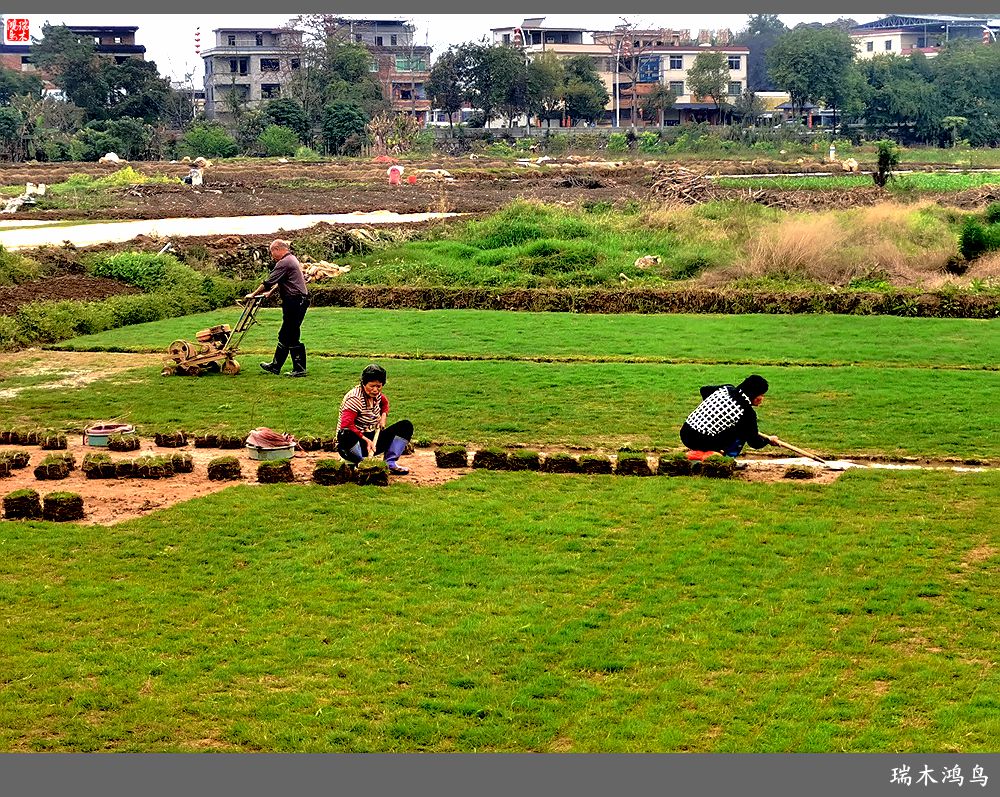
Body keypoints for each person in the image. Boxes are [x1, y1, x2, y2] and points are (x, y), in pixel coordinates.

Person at [247, 239, 310, 378]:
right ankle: (275, 366)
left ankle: (299, 369)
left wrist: (253, 294)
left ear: (277, 249)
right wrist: (270, 293)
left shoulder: (284, 262)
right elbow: (281, 280)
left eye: (272, 252)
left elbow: (268, 281)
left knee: (291, 334)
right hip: (296, 301)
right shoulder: (291, 259)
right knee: (286, 334)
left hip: (295, 301)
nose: (272, 256)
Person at [337, 364, 414, 475]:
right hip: (352, 443)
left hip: (373, 440)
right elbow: (346, 425)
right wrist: (366, 440)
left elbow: (384, 402)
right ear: (363, 383)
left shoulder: (377, 395)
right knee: (346, 433)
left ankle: (390, 463)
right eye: (372, 386)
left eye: (379, 386)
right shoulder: (354, 398)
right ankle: (361, 464)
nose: (375, 390)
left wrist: (383, 417)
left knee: (405, 426)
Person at [680, 374, 778, 459]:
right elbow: (754, 443)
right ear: (754, 395)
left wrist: (714, 410)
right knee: (741, 432)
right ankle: (727, 459)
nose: (762, 398)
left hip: (685, 432)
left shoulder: (726, 388)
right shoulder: (747, 413)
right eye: (761, 395)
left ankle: (705, 452)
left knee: (740, 427)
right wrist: (768, 440)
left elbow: (704, 390)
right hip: (700, 441)